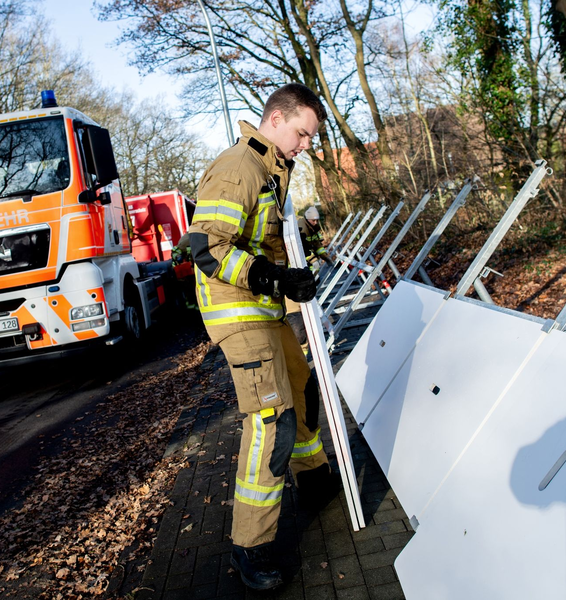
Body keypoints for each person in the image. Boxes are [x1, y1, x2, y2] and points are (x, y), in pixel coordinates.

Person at [188, 83, 339, 591]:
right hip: (238, 313)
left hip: (265, 307)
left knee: (301, 387)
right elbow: (207, 248)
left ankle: (312, 476)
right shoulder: (239, 168)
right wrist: (275, 278)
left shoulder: (270, 169)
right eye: (302, 134)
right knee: (271, 421)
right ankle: (250, 546)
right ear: (276, 120)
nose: (305, 146)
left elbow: (265, 242)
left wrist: (296, 267)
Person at [298, 205, 334, 270]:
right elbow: (301, 248)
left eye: (317, 220)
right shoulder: (303, 229)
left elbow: (317, 244)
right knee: (311, 270)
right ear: (308, 219)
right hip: (302, 259)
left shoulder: (313, 228)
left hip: (310, 256)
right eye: (313, 220)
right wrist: (313, 259)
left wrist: (325, 257)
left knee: (316, 269)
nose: (316, 222)